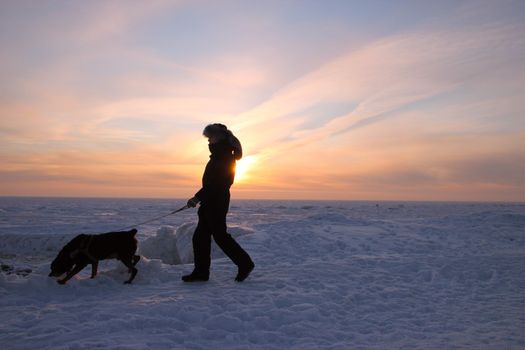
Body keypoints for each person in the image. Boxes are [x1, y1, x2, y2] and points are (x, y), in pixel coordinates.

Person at [182, 123, 255, 282]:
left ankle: (245, 263)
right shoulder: (219, 156)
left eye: (210, 138)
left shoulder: (224, 157)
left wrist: (197, 197)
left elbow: (218, 184)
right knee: (200, 237)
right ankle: (201, 272)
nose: (208, 142)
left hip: (217, 201)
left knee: (220, 236)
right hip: (211, 200)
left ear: (218, 138)